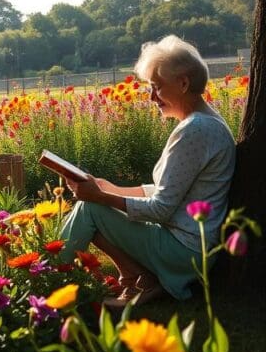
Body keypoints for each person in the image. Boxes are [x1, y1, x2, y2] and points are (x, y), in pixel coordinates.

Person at [59, 35, 235, 307]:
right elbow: (169, 190)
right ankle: (137, 278)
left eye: (157, 87)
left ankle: (46, 284)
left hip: (184, 249)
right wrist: (108, 189)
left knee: (90, 209)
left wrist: (99, 197)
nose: (152, 97)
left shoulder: (195, 130)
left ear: (183, 83)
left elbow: (161, 208)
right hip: (187, 242)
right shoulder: (206, 122)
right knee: (95, 206)